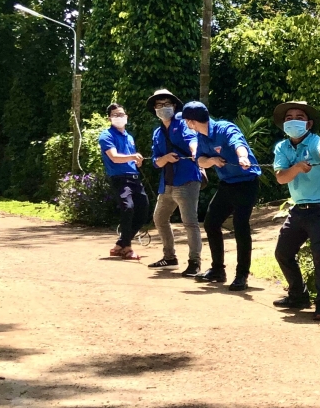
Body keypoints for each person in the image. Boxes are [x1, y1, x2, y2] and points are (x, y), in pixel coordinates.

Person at [271, 100, 320, 321]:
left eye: (299, 118)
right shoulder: (281, 148)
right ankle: (298, 295)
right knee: (283, 252)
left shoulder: (316, 141)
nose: (293, 121)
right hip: (299, 209)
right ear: (283, 124)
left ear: (309, 124)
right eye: (289, 117)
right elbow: (281, 178)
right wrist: (297, 167)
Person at [181, 101, 261, 292]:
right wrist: (211, 160)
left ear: (192, 121)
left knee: (241, 227)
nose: (186, 125)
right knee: (211, 223)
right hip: (227, 184)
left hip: (246, 182)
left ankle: (242, 275)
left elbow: (238, 143)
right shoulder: (201, 136)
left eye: (186, 121)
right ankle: (218, 270)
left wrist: (243, 157)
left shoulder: (225, 128)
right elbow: (199, 159)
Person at [146, 88, 205, 277]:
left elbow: (192, 141)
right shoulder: (157, 133)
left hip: (187, 179)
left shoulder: (183, 123)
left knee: (190, 222)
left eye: (167, 104)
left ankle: (194, 262)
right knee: (159, 218)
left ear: (174, 105)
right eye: (159, 105)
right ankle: (169, 257)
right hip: (168, 183)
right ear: (155, 109)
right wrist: (165, 159)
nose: (164, 108)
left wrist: (196, 154)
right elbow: (156, 161)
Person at [98, 102, 148, 262]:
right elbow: (113, 156)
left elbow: (130, 157)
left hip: (134, 178)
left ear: (126, 117)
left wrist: (137, 161)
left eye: (121, 114)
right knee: (128, 208)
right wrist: (133, 157)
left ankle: (121, 243)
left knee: (143, 210)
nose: (119, 117)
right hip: (119, 179)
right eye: (115, 115)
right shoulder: (106, 135)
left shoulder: (129, 137)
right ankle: (127, 248)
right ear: (109, 118)